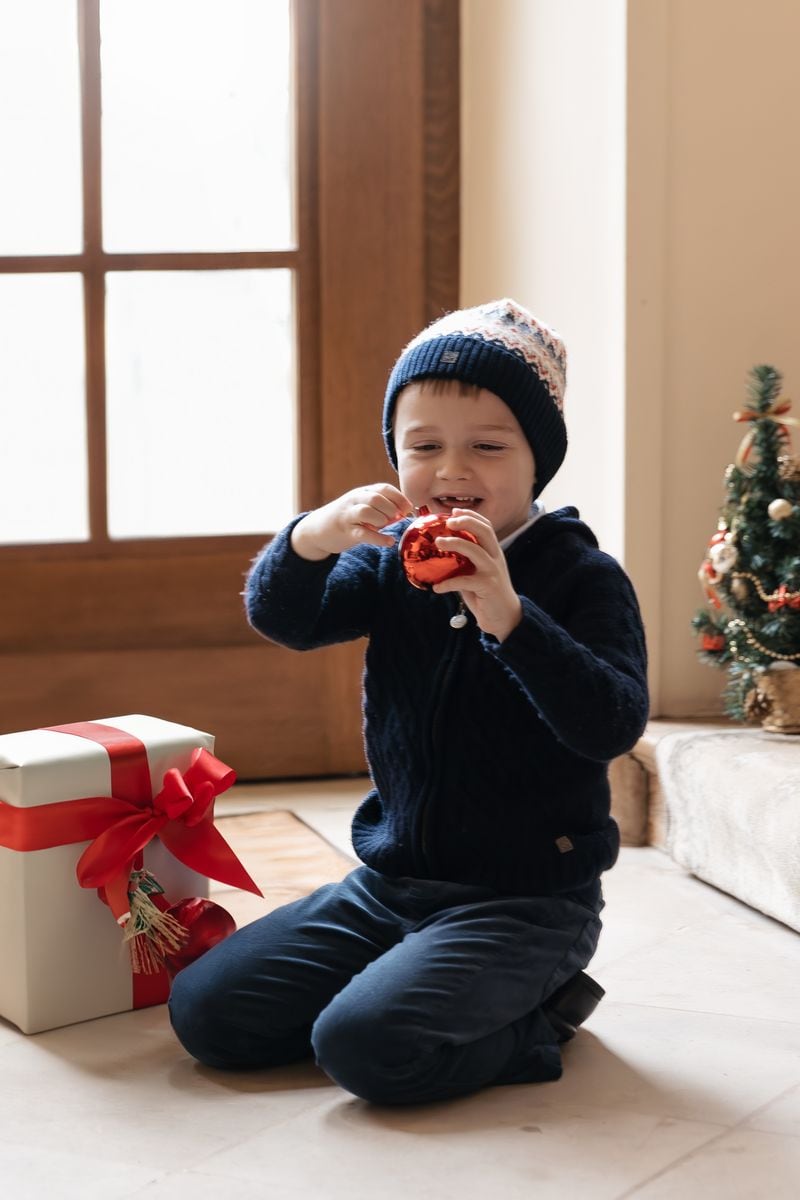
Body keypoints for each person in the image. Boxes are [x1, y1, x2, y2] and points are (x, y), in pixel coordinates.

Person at [169, 298, 649, 1105]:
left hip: (528, 900)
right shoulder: (395, 562)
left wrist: (510, 616)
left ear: (539, 462)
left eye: (488, 447)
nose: (452, 471)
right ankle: (402, 987)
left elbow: (610, 723)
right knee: (207, 1014)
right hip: (392, 885)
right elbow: (286, 618)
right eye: (422, 447)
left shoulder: (579, 576)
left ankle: (539, 1017)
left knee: (365, 1050)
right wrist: (312, 538)